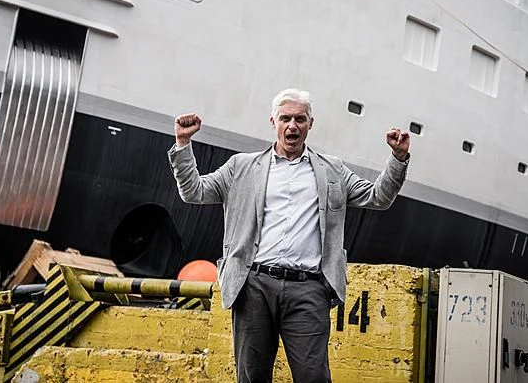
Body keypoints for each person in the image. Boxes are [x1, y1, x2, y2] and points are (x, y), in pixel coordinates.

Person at [168, 88, 410, 382]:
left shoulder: (332, 169)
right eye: (285, 118)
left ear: (310, 124)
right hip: (253, 286)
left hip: (308, 290)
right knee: (252, 376)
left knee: (313, 376)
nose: (292, 125)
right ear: (273, 121)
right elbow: (194, 192)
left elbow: (378, 198)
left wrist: (398, 157)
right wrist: (183, 143)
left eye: (300, 119)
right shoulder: (241, 167)